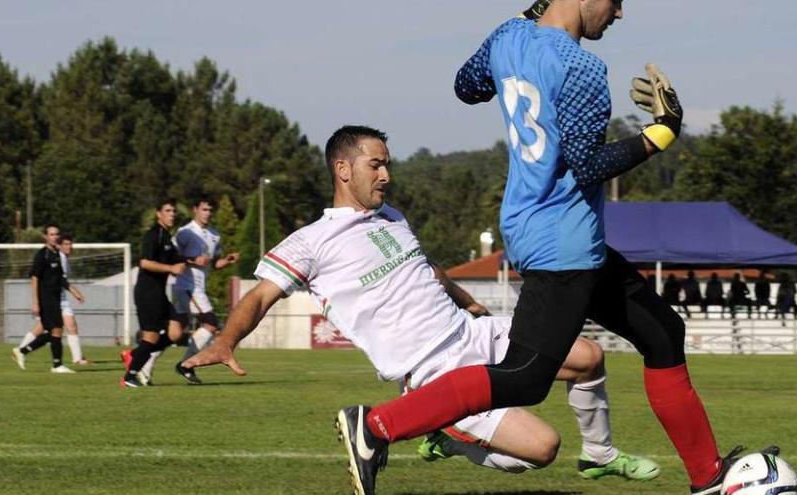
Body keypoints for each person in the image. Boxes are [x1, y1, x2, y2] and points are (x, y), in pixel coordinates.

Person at [281, 3, 746, 494]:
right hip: (561, 236)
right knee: (524, 376)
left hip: (545, 227)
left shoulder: (509, 37)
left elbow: (467, 86)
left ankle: (707, 478)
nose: (620, 12)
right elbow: (586, 167)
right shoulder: (583, 66)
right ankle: (375, 428)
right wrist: (660, 132)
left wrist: (526, 20)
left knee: (662, 332)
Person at [184, 126, 660, 490]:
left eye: (387, 164)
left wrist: (469, 302)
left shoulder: (392, 216)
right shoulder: (312, 242)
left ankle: (599, 454)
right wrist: (226, 340)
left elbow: (427, 269)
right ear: (343, 169)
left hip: (473, 332)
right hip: (431, 368)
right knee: (541, 449)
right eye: (376, 165)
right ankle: (448, 435)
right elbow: (260, 295)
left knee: (589, 358)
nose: (386, 175)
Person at [143, 197, 239, 385]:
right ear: (195, 209)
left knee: (175, 333)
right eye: (204, 209)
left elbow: (214, 263)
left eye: (210, 210)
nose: (208, 213)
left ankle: (145, 367)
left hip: (199, 287)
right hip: (186, 286)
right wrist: (193, 260)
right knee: (211, 323)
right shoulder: (185, 232)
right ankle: (186, 365)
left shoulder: (214, 234)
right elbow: (171, 257)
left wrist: (226, 261)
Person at [120, 199, 190, 388]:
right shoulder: (153, 235)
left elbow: (179, 259)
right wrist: (171, 268)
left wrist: (200, 260)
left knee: (175, 332)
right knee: (150, 338)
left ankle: (134, 354)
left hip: (160, 294)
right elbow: (144, 262)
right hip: (147, 293)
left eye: (174, 211)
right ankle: (130, 376)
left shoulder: (167, 237)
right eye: (168, 210)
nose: (172, 214)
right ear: (159, 214)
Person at [11, 224, 77, 373]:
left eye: (57, 234)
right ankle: (56, 365)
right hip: (45, 298)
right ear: (46, 237)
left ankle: (23, 351)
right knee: (56, 330)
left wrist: (73, 290)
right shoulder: (42, 255)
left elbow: (60, 278)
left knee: (54, 332)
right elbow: (34, 278)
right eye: (52, 234)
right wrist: (35, 302)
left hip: (55, 299)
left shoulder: (56, 254)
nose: (55, 237)